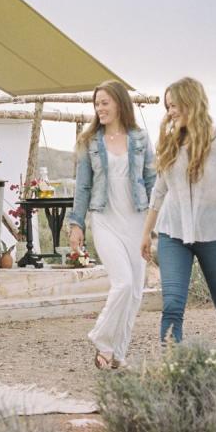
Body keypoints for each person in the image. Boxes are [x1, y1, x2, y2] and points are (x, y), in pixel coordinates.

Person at [139, 77, 216, 356]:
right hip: (172, 234)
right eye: (168, 107)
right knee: (173, 304)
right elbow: (159, 191)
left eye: (174, 104)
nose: (171, 112)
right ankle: (171, 369)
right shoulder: (170, 143)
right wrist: (146, 233)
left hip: (215, 235)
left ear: (192, 102)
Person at [67, 80, 156, 370]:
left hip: (137, 221)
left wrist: (156, 223)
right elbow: (82, 187)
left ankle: (117, 353)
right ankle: (102, 339)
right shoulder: (89, 141)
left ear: (119, 104)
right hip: (104, 219)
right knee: (123, 282)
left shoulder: (140, 139)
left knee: (134, 291)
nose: (99, 108)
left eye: (105, 102)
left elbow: (153, 181)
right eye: (97, 103)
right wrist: (76, 224)